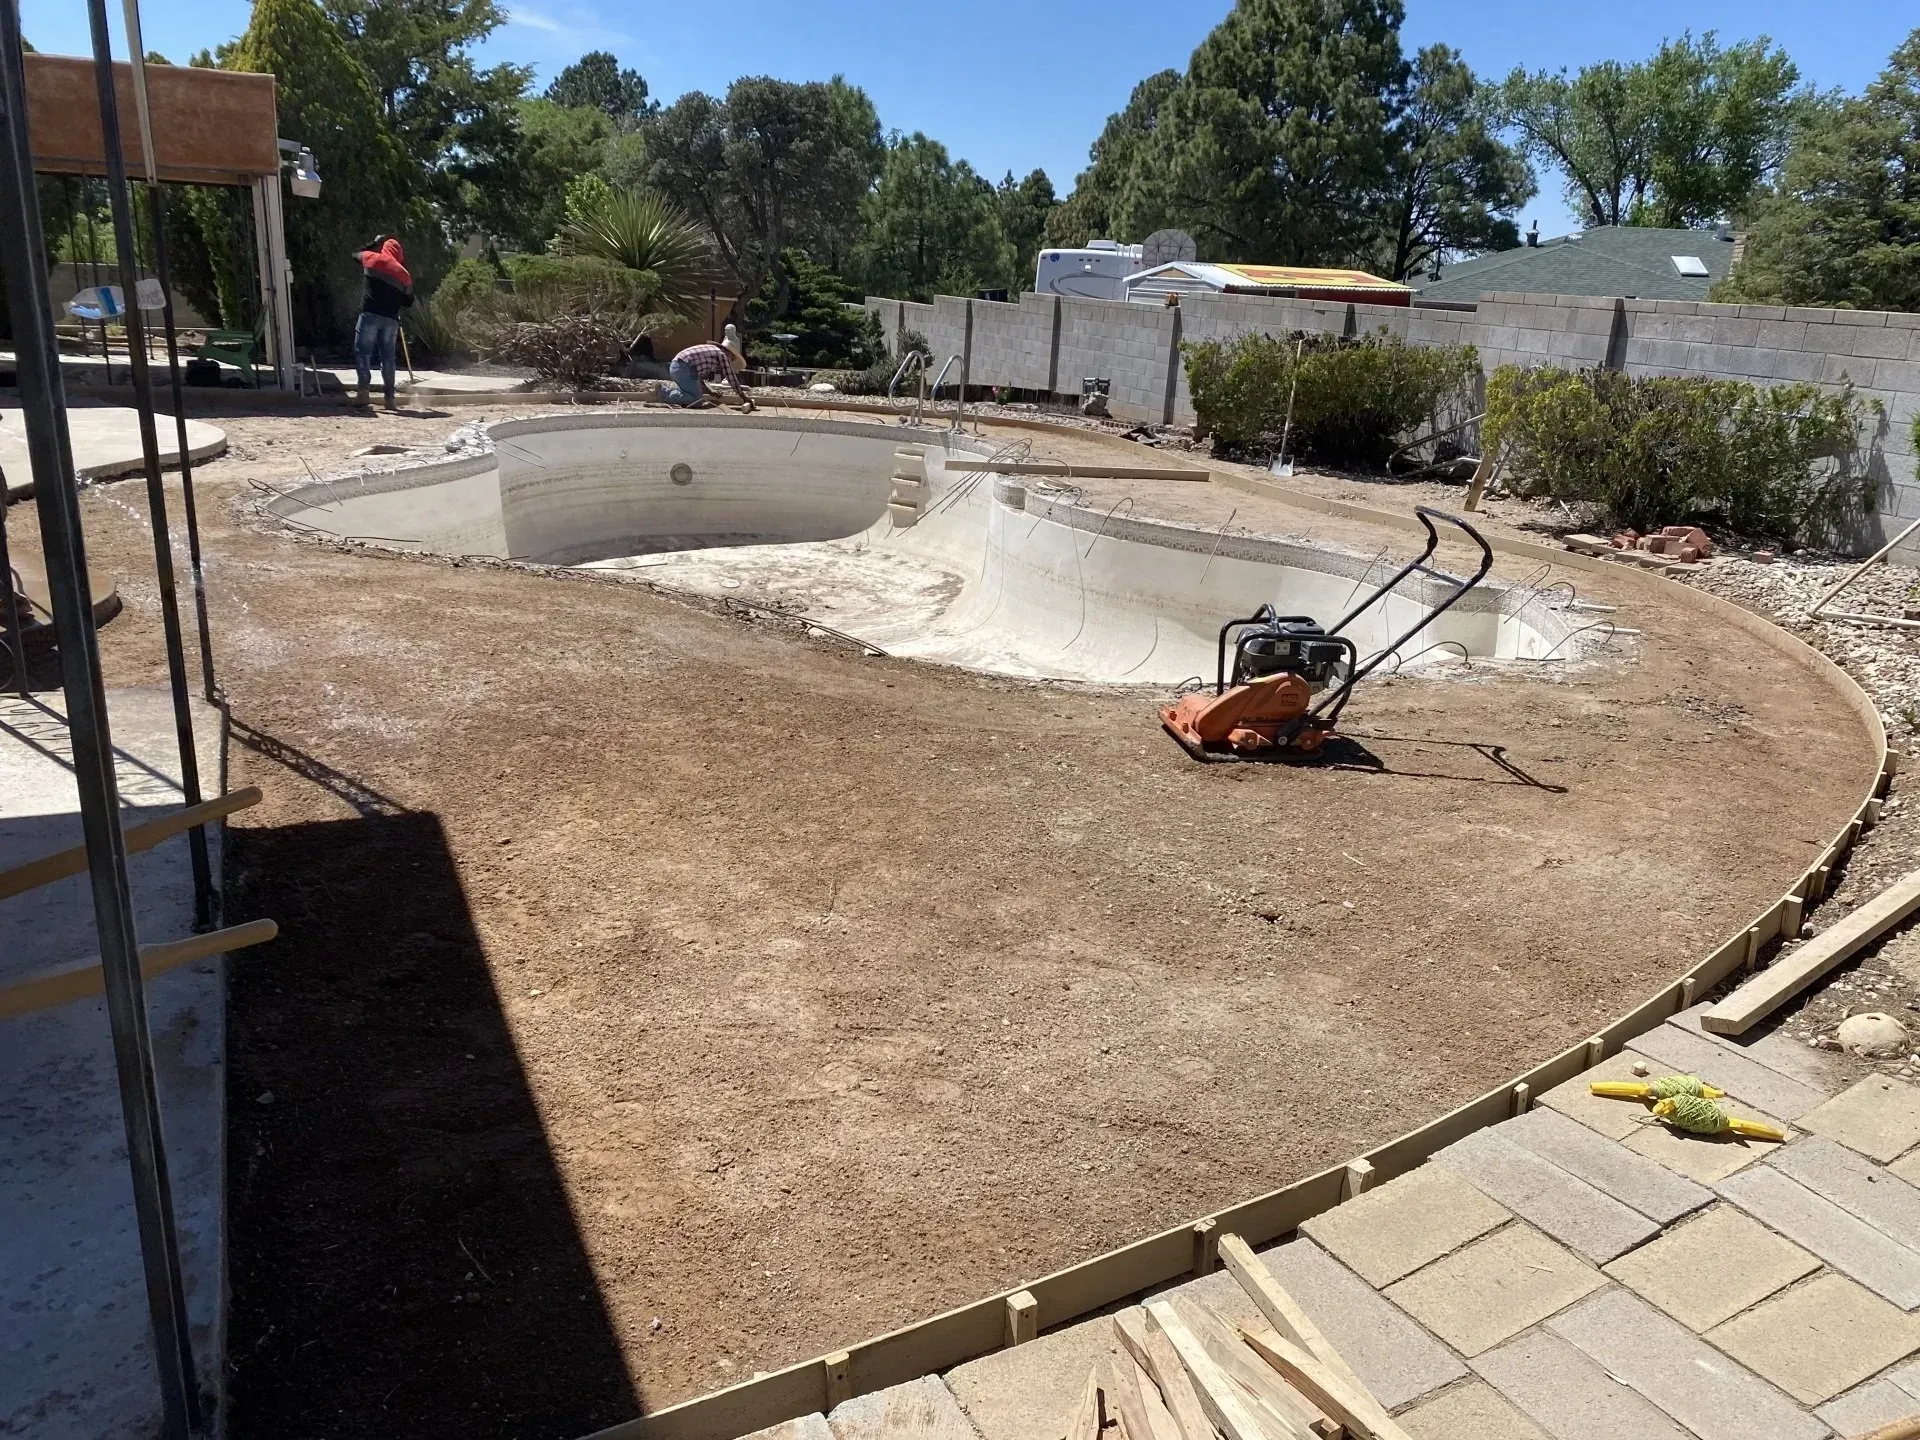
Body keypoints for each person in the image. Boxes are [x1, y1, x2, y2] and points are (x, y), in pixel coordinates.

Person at [351, 235, 412, 409]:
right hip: (390, 321)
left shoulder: (371, 258)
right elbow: (409, 302)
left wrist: (373, 242)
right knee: (388, 358)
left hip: (369, 315)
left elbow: (355, 254)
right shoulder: (404, 275)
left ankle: (363, 393)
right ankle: (389, 399)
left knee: (363, 353)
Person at [662, 331, 755, 412]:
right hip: (684, 368)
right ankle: (661, 393)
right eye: (731, 358)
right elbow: (730, 376)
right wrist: (743, 397)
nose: (730, 361)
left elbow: (698, 380)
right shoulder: (722, 354)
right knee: (696, 399)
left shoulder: (712, 352)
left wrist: (710, 392)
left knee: (691, 394)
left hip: (676, 367)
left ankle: (672, 395)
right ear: (729, 353)